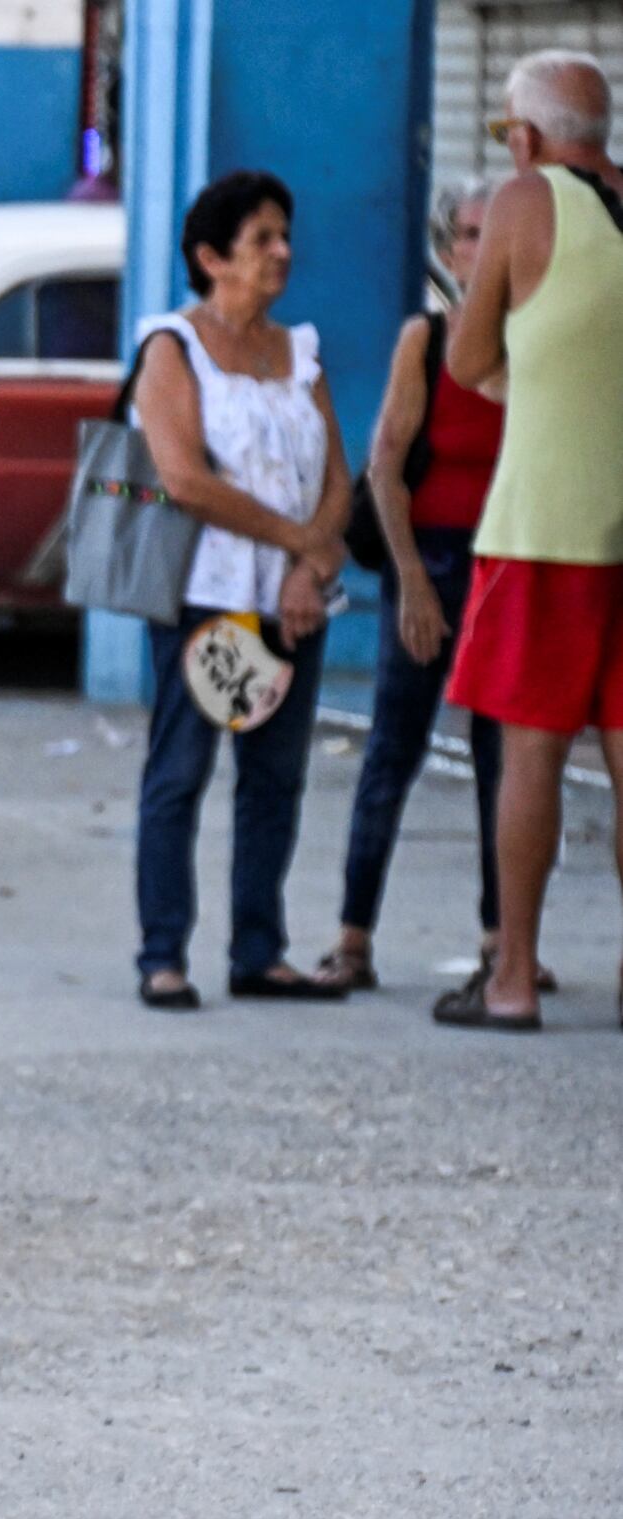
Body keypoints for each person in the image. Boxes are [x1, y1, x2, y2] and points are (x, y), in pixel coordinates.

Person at [121, 171, 349, 1012]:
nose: (282, 252)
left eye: (284, 235)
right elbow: (185, 480)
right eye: (262, 239)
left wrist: (308, 569)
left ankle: (260, 948)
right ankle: (162, 953)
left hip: (293, 599)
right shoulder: (171, 348)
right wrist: (300, 543)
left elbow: (337, 477)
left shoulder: (301, 353)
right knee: (181, 770)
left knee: (275, 776)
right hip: (207, 596)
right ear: (211, 257)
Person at [435, 52, 623, 1032]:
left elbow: (466, 357)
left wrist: (529, 375)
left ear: (526, 135)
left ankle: (511, 976)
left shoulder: (522, 200)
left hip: (544, 526)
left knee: (530, 758)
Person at [323, 186, 505, 993]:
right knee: (394, 747)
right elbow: (386, 467)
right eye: (470, 234)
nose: (483, 248)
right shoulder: (425, 340)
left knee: (504, 759)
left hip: (508, 564)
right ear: (447, 249)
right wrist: (412, 585)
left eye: (496, 233)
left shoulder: (533, 342)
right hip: (428, 558)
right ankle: (353, 935)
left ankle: (504, 937)